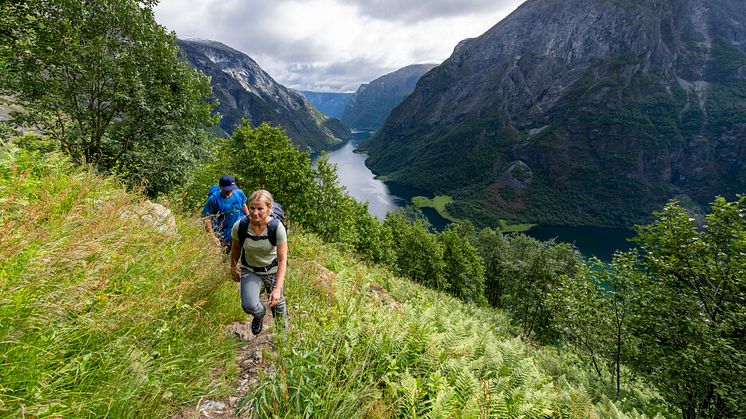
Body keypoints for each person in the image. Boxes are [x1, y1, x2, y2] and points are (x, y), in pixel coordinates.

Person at [230, 189, 288, 336]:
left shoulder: (276, 228)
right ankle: (259, 314)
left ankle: (283, 339)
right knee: (248, 306)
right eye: (252, 208)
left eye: (260, 208)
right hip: (250, 268)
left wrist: (277, 288)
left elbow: (282, 259)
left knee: (278, 304)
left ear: (269, 208)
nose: (255, 212)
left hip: (272, 269)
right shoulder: (240, 226)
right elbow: (236, 248)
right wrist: (232, 267)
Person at [202, 175, 249, 252]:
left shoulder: (239, 193)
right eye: (226, 189)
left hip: (240, 228)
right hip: (223, 233)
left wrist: (250, 219)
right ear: (220, 187)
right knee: (226, 254)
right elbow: (207, 217)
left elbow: (243, 205)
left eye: (231, 189)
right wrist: (212, 235)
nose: (229, 192)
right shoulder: (213, 199)